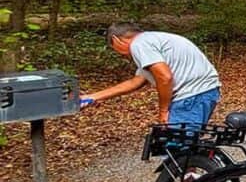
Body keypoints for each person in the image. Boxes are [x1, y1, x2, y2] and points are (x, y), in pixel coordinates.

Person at [81, 23, 221, 125]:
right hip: (203, 93)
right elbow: (135, 82)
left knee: (178, 151)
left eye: (114, 48)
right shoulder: (153, 40)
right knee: (185, 150)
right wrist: (93, 97)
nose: (118, 54)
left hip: (190, 97)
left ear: (116, 40)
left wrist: (163, 111)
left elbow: (164, 77)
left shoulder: (139, 44)